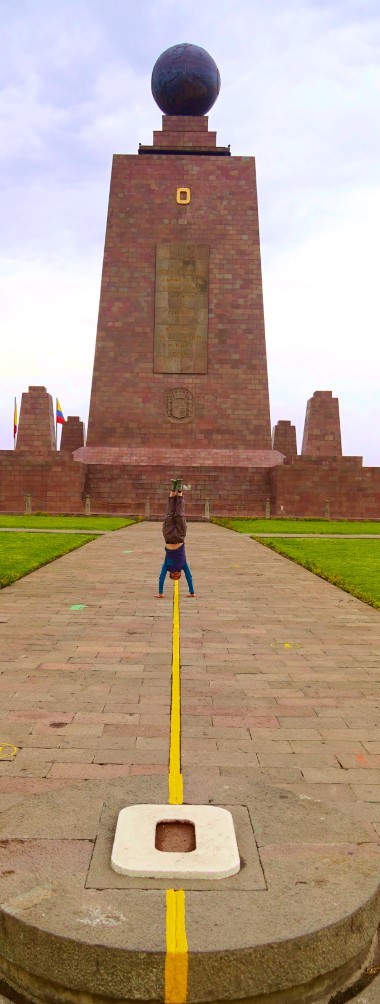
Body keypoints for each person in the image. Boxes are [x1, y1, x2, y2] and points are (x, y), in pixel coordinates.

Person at [156, 479, 196, 598]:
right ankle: (179, 491)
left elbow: (161, 577)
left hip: (168, 537)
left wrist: (160, 593)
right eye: (177, 577)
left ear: (171, 575)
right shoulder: (183, 565)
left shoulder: (167, 566)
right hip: (179, 536)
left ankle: (172, 489)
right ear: (180, 575)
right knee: (179, 515)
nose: (175, 576)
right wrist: (192, 592)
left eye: (173, 577)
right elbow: (189, 577)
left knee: (169, 514)